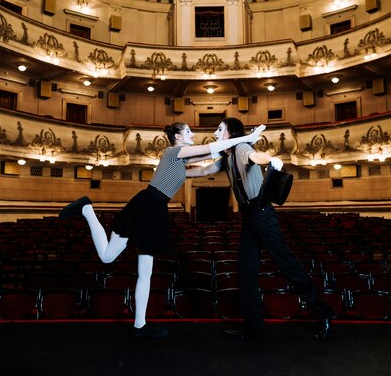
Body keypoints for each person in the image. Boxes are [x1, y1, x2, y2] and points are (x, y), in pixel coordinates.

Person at [59, 121, 265, 339]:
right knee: (107, 257)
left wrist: (235, 152)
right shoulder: (173, 151)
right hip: (147, 205)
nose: (192, 134)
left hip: (155, 209)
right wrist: (247, 139)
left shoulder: (181, 160)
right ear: (177, 137)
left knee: (145, 271)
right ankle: (88, 209)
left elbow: (209, 162)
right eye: (188, 131)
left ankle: (140, 325)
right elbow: (210, 149)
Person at [186, 117, 333, 340]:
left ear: (232, 132)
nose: (215, 134)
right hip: (249, 215)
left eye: (219, 129)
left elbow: (255, 156)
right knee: (246, 270)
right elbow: (201, 172)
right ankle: (253, 326)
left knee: (286, 263)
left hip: (261, 212)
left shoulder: (242, 147)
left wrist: (271, 159)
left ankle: (323, 313)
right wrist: (174, 172)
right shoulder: (227, 157)